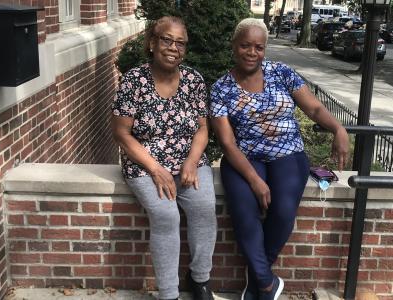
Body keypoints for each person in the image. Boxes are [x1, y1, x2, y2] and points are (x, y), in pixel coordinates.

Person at [209, 18, 350, 300]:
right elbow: (227, 142)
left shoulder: (282, 73)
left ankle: (257, 281)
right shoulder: (220, 88)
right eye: (245, 45)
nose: (252, 52)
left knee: (284, 210)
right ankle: (267, 283)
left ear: (265, 49)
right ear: (234, 46)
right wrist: (255, 181)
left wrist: (338, 128)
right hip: (244, 158)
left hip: (288, 153)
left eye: (258, 47)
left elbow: (314, 108)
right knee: (244, 213)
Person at [111, 16, 216, 300]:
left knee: (205, 207)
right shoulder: (135, 80)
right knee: (166, 215)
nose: (173, 47)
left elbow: (203, 129)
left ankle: (200, 280)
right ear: (152, 43)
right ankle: (169, 293)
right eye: (166, 40)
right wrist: (156, 168)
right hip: (145, 164)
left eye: (180, 43)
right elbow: (122, 134)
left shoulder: (193, 80)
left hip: (188, 160)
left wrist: (192, 162)